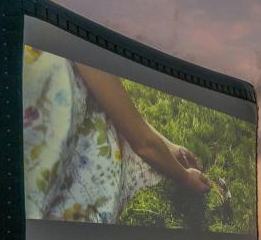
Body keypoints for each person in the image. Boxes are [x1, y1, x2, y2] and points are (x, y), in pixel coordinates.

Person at [22, 45, 210, 224]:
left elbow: (117, 111)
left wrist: (171, 148)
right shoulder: (80, 39)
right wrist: (185, 177)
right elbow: (143, 143)